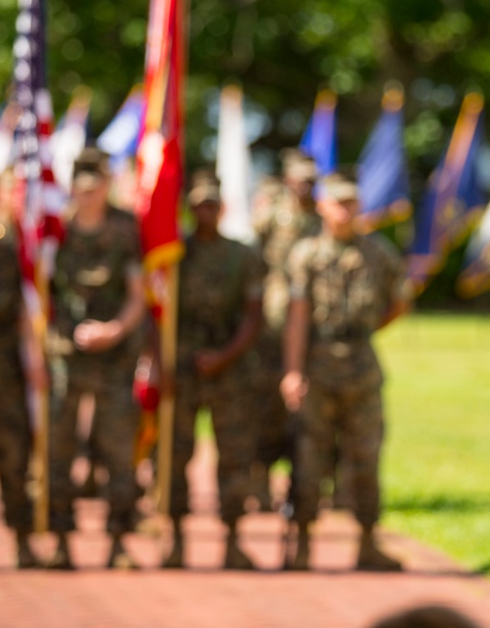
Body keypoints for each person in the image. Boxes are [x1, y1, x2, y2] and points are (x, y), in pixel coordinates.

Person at [280, 173, 409, 571]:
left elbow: (399, 300)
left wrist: (365, 329)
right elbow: (297, 315)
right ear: (322, 206)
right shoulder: (305, 254)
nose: (344, 211)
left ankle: (367, 543)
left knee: (365, 456)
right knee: (309, 458)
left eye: (351, 203)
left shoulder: (378, 253)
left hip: (361, 368)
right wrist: (293, 370)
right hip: (317, 367)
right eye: (337, 203)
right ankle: (301, 544)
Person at [47, 147, 147, 569]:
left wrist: (115, 331)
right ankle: (60, 542)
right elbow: (40, 294)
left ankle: (119, 542)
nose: (89, 195)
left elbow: (138, 295)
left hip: (114, 360)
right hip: (66, 360)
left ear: (107, 185)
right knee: (58, 453)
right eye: (82, 188)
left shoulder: (126, 230)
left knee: (117, 453)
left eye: (97, 186)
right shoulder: (54, 230)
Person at [162, 171, 265, 569]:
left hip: (230, 370)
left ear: (222, 209)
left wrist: (225, 356)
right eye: (198, 205)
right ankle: (174, 537)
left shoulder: (243, 256)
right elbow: (160, 312)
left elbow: (252, 316)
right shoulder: (173, 255)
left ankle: (233, 540)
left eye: (212, 205)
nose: (205, 212)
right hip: (183, 368)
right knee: (174, 455)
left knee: (235, 458)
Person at [0, 179, 46, 567]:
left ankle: (23, 541)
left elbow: (24, 314)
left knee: (14, 462)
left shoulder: (10, 258)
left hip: (3, 377)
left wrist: (35, 360)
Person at [248, 150, 322, 512]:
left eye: (311, 179)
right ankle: (260, 481)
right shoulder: (270, 214)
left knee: (309, 414)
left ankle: (309, 486)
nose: (306, 186)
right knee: (266, 407)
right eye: (300, 179)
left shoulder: (322, 218)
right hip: (271, 326)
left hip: (311, 327)